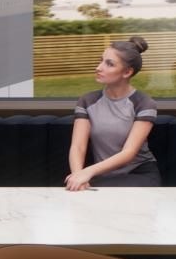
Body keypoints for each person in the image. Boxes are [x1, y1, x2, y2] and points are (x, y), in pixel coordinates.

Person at [66, 36, 160, 190]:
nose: (99, 67)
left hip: (138, 175)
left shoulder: (144, 103)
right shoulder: (87, 101)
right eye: (101, 60)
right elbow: (78, 146)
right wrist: (78, 176)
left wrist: (88, 172)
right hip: (101, 176)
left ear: (127, 72)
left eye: (109, 64)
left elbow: (128, 153)